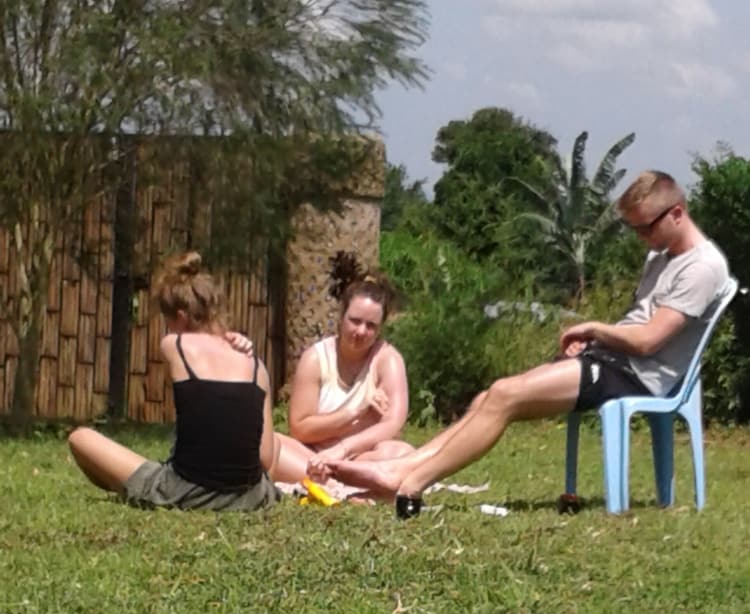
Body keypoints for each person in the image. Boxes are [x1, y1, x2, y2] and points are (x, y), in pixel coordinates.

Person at [319, 170, 731, 517]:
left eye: (645, 227)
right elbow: (637, 323)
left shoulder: (703, 267)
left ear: (677, 213)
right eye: (634, 228)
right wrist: (591, 343)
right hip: (609, 362)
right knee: (488, 397)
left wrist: (593, 328)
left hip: (635, 375)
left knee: (504, 395)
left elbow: (648, 340)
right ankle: (404, 467)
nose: (640, 237)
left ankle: (411, 483)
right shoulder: (662, 255)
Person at [68, 251, 280, 512]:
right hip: (251, 497)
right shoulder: (257, 366)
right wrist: (228, 338)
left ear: (180, 317)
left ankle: (130, 492)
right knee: (277, 440)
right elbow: (266, 458)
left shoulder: (174, 345)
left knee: (80, 438)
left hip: (186, 492)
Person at [267, 252, 413, 485]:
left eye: (371, 326)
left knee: (402, 453)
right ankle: (341, 481)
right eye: (355, 321)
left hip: (363, 457)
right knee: (268, 441)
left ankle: (338, 479)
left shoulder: (388, 360)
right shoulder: (315, 358)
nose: (361, 331)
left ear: (381, 328)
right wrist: (354, 413)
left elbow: (392, 424)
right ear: (341, 316)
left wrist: (343, 450)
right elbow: (300, 429)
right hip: (312, 457)